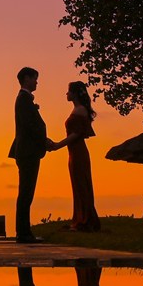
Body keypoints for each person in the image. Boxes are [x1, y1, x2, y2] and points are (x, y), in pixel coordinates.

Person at [8, 66, 54, 243]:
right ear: (26, 78)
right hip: (28, 152)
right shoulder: (23, 99)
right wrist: (44, 141)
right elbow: (30, 126)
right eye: (34, 78)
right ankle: (23, 233)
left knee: (27, 192)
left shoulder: (24, 99)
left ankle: (24, 232)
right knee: (26, 193)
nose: (37, 82)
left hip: (28, 151)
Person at [51, 81, 101, 232]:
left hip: (78, 152)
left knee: (81, 185)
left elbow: (77, 134)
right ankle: (80, 218)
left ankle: (86, 219)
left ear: (74, 93)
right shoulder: (77, 109)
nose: (66, 94)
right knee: (77, 185)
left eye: (69, 91)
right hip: (74, 152)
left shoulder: (80, 110)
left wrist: (58, 145)